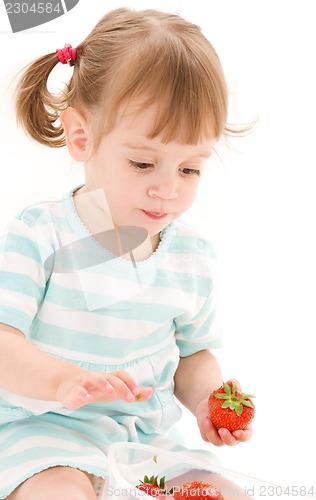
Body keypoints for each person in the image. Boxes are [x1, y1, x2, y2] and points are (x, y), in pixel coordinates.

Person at [0, 7, 253, 500]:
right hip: (42, 434)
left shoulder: (192, 258)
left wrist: (206, 401)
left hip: (148, 443)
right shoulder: (40, 237)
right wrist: (61, 381)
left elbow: (193, 352)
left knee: (226, 494)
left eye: (190, 169)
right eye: (143, 163)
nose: (167, 189)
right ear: (82, 136)